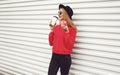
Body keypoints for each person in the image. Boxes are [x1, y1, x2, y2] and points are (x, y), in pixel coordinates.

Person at [48, 4, 77, 75]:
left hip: (65, 58)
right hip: (55, 56)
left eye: (60, 12)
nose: (58, 14)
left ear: (66, 14)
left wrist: (67, 32)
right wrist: (52, 30)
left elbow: (69, 46)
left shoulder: (72, 29)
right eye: (58, 12)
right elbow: (51, 43)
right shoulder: (57, 27)